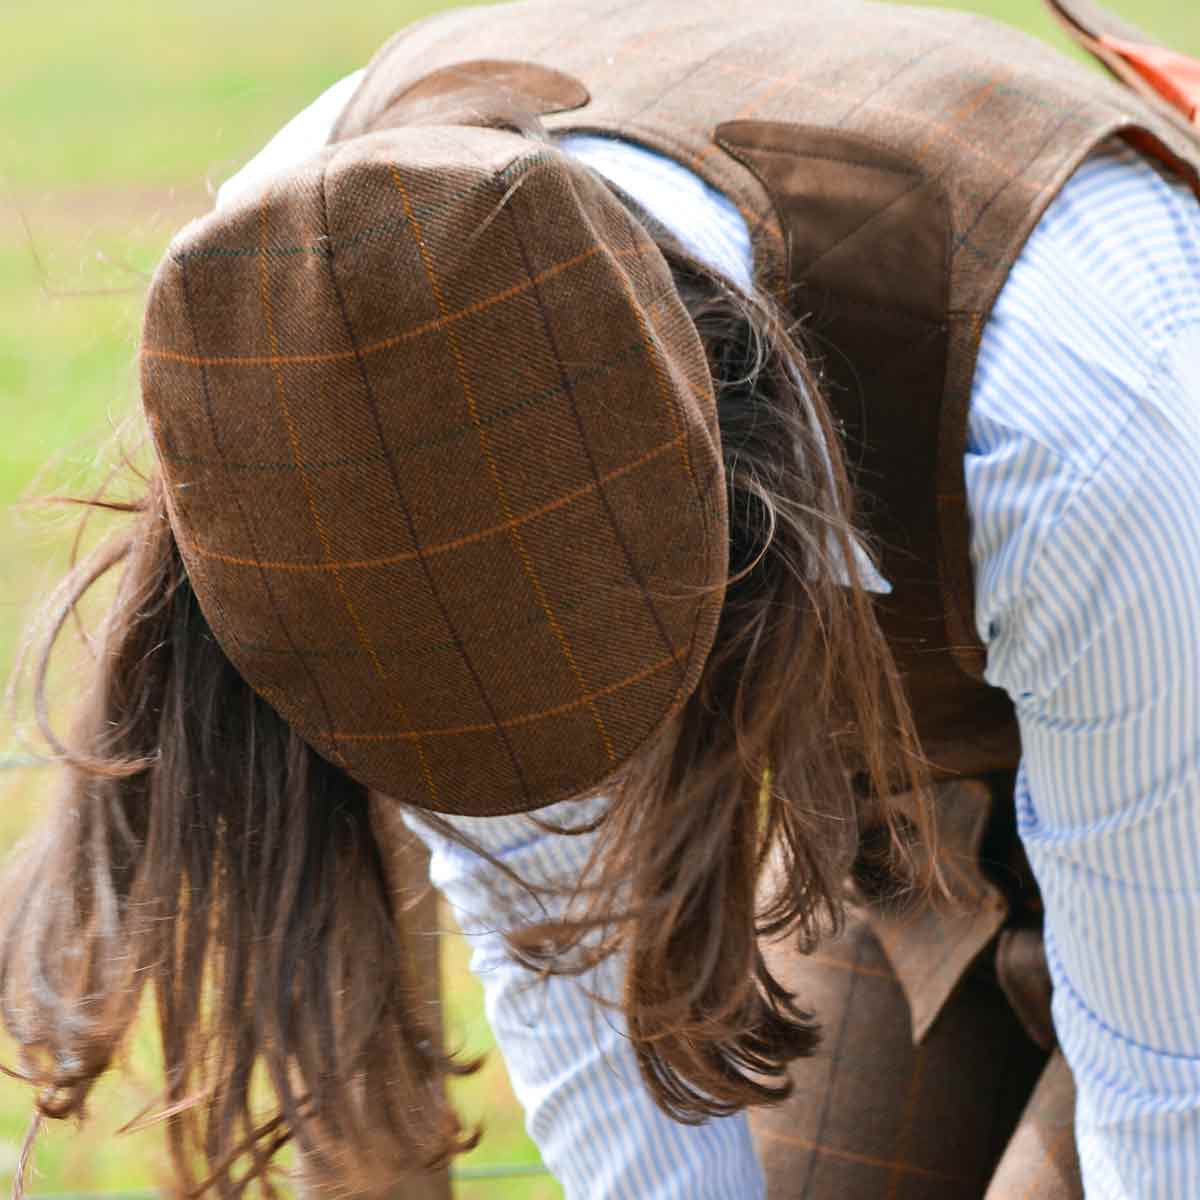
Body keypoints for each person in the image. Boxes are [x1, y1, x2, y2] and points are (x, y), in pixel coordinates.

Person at [2, 0, 1199, 1197]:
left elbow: (1168, 1092)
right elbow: (563, 959)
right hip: (897, 772)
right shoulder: (311, 319)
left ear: (738, 500)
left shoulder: (1081, 423)